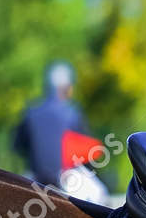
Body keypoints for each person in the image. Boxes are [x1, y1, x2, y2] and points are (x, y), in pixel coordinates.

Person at [12, 61, 111, 204]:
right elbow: (88, 152)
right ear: (67, 87)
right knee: (101, 195)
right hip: (68, 178)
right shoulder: (73, 113)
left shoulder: (30, 112)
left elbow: (17, 147)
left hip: (35, 178)